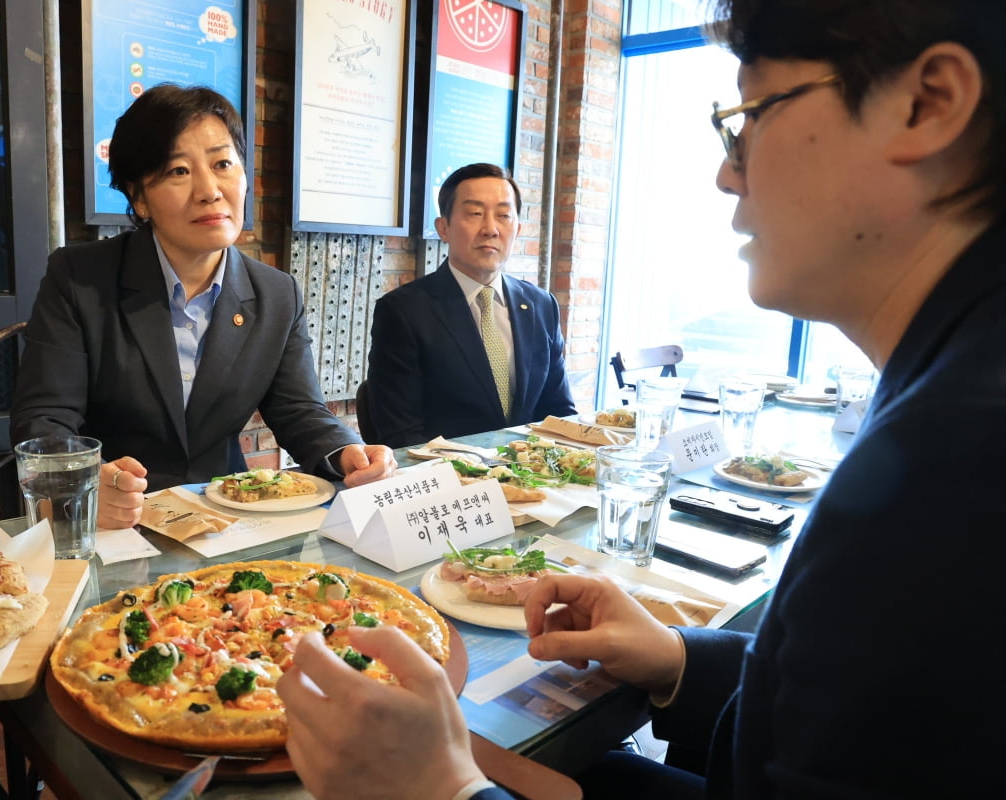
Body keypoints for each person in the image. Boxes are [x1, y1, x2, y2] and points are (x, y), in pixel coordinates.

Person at [278, 1, 1005, 797]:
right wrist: (680, 657)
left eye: (749, 116)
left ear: (928, 102)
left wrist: (447, 791)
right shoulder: (950, 389)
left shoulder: (962, 461)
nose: (727, 172)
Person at [11, 84, 395, 529]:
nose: (210, 191)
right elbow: (45, 419)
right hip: (116, 519)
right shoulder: (80, 277)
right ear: (139, 197)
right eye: (178, 171)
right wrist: (83, 483)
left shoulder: (276, 293)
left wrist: (345, 449)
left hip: (227, 516)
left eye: (223, 164)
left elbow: (299, 409)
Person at [365, 163, 576, 448]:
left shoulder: (541, 305)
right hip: (452, 482)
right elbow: (401, 434)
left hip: (530, 480)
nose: (490, 229)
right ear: (444, 228)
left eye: (503, 215)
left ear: (517, 229)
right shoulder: (404, 311)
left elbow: (559, 414)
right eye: (475, 214)